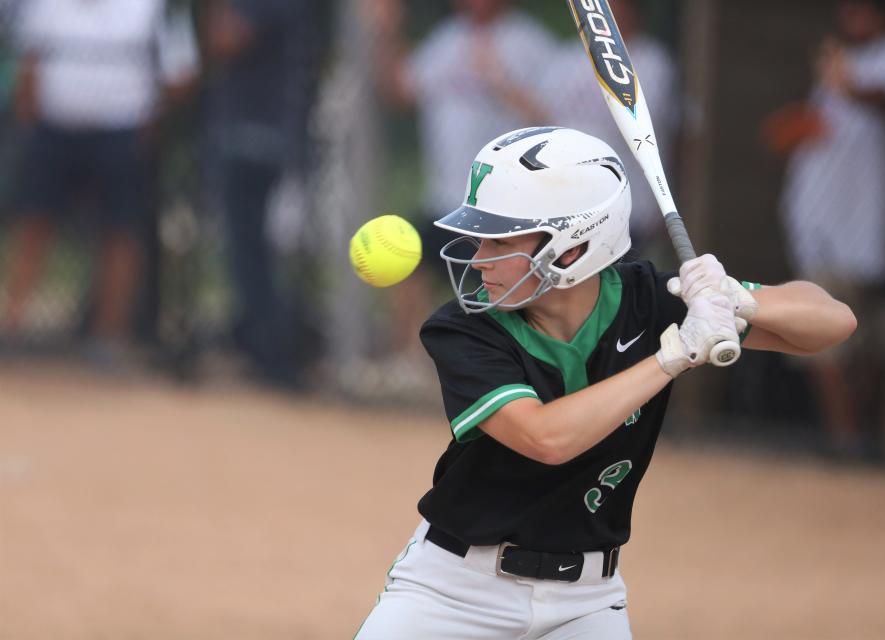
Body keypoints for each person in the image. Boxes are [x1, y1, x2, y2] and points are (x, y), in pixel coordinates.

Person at [354, 127, 857, 639]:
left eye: (500, 240)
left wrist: (734, 298)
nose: (480, 257)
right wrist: (675, 353)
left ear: (572, 250)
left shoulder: (653, 300)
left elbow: (832, 322)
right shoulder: (464, 327)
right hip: (455, 591)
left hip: (586, 604)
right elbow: (545, 438)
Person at [764, 0, 885, 456]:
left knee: (837, 341)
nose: (848, 18)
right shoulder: (847, 65)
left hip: (864, 234)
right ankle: (850, 442)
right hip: (822, 229)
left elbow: (883, 102)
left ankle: (850, 444)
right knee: (836, 344)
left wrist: (841, 76)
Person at [364, 0, 555, 382]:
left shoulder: (532, 43)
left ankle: (526, 371)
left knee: (513, 291)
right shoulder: (446, 40)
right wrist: (387, 30)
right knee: (409, 264)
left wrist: (502, 83)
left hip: (505, 203)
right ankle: (408, 366)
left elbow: (551, 117)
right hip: (446, 195)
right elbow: (399, 91)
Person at [0, 0, 198, 363]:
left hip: (121, 130)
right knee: (32, 223)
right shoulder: (44, 6)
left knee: (121, 232)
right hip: (51, 128)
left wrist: (146, 112)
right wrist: (30, 117)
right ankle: (11, 328)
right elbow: (29, 63)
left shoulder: (152, 8)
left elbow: (182, 71)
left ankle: (108, 338)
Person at [203, 0, 314, 389]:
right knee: (250, 250)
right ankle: (260, 344)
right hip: (256, 137)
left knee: (254, 252)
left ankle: (274, 354)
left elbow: (224, 39)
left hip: (259, 141)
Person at [546, 0, 679, 256]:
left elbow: (650, 127)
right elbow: (545, 118)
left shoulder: (652, 61)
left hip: (633, 197)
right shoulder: (566, 59)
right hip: (570, 197)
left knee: (624, 273)